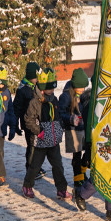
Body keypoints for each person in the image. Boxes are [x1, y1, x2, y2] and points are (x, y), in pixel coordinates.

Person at [21, 69, 70, 201]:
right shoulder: (34, 102)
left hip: (53, 140)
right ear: (42, 89)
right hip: (40, 141)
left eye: (53, 89)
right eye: (49, 89)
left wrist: (60, 127)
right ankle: (27, 185)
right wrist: (39, 131)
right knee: (35, 166)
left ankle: (61, 189)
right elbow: (28, 120)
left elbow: (58, 116)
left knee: (58, 165)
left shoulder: (54, 100)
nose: (52, 91)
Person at [59, 68, 91, 204]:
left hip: (83, 128)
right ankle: (78, 180)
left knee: (87, 152)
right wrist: (71, 118)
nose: (82, 90)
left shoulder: (84, 95)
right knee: (76, 155)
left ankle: (83, 171)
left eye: (84, 87)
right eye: (79, 87)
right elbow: (60, 113)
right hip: (72, 129)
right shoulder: (66, 96)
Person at [14, 61, 41, 175]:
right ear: (31, 77)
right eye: (35, 77)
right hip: (28, 123)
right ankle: (31, 169)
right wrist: (15, 124)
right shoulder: (23, 90)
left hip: (38, 122)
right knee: (32, 146)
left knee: (37, 146)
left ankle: (36, 167)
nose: (37, 79)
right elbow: (16, 108)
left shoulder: (36, 87)